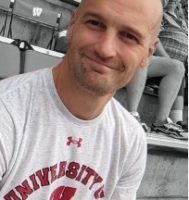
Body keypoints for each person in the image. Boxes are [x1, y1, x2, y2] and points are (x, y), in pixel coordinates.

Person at [0, 0, 163, 199]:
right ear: (72, 24)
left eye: (129, 36)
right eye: (95, 23)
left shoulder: (130, 139)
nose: (106, 49)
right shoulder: (6, 112)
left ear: (148, 53)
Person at [126, 42, 187, 140]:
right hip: (127, 51)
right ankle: (131, 115)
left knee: (177, 67)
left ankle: (160, 123)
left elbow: (154, 38)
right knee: (142, 56)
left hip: (140, 52)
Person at [159, 0, 188, 128]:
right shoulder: (160, 9)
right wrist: (166, 58)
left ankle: (180, 121)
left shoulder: (181, 15)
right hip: (165, 52)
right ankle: (177, 119)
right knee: (178, 66)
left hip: (181, 58)